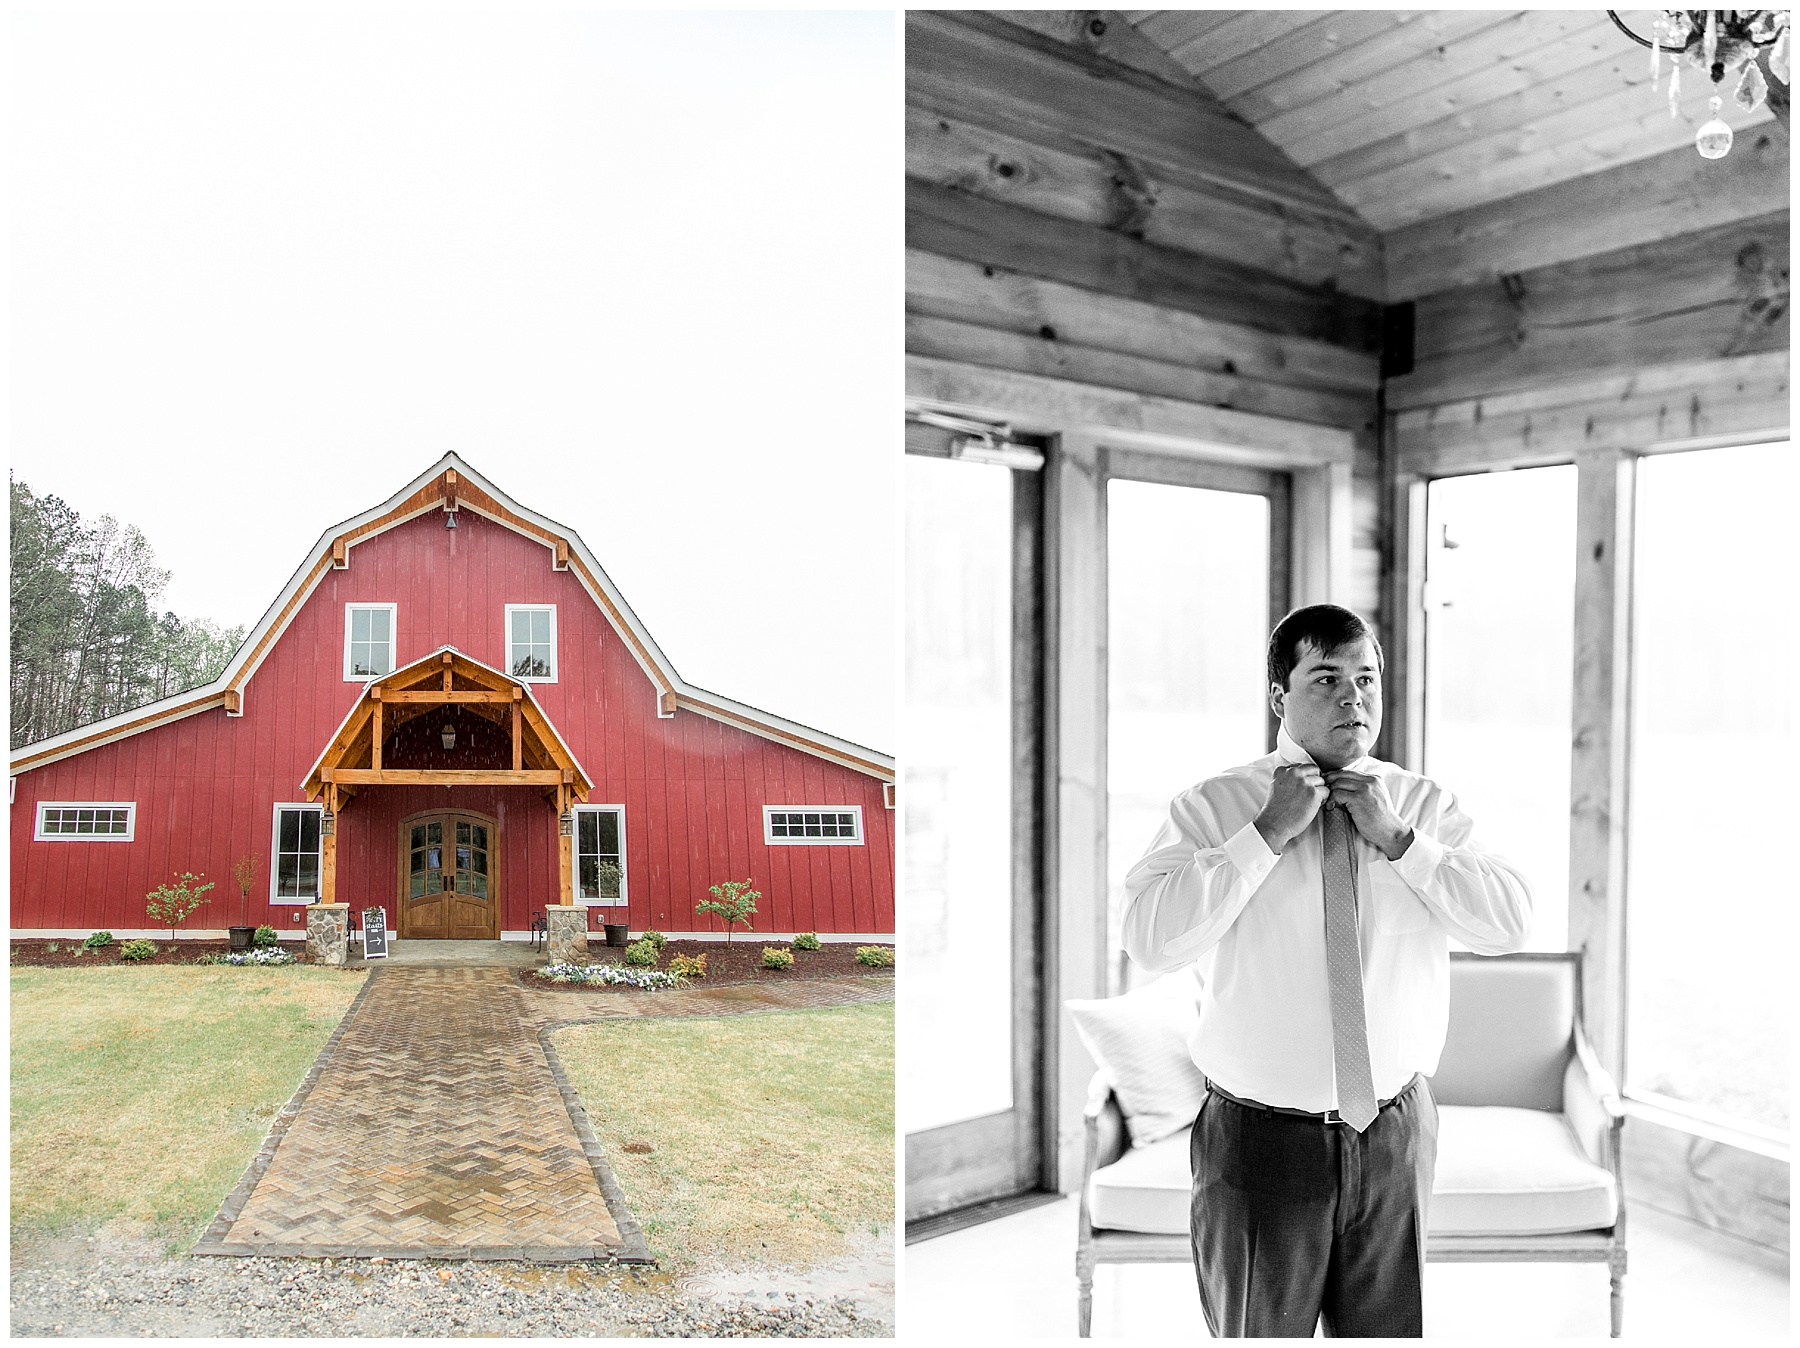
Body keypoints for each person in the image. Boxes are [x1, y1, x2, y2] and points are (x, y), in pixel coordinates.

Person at [1121, 603, 1531, 1338]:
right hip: (1257, 1144)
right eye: (1328, 679)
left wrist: (1405, 843)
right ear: (1280, 696)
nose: (1354, 699)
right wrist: (1265, 834)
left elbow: (1509, 923)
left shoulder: (1422, 806)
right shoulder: (1214, 807)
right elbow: (1150, 943)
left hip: (1395, 1137)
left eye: (1367, 680)